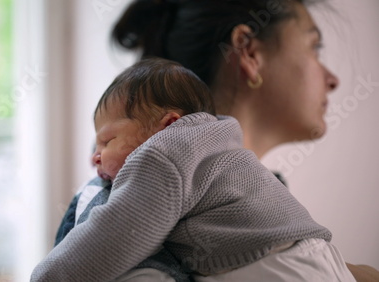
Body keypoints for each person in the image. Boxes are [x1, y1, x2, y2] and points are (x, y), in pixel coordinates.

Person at [55, 0, 379, 280]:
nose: (333, 79)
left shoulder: (261, 198)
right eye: (314, 47)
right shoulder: (117, 200)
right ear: (249, 52)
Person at [31, 58, 356, 282]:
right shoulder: (218, 145)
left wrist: (47, 276)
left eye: (107, 140)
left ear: (168, 126)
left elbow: (116, 232)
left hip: (271, 266)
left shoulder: (163, 154)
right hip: (318, 257)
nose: (95, 157)